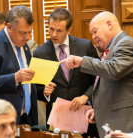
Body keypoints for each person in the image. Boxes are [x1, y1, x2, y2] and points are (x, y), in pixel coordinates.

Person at [61, 11, 133, 137]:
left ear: (109, 24)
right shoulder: (112, 49)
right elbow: (112, 85)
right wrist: (98, 109)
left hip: (128, 124)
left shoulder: (126, 44)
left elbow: (114, 70)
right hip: (116, 123)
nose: (93, 37)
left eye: (95, 31)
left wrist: (83, 61)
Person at [33, 7, 99, 135]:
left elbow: (99, 78)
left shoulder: (85, 47)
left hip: (85, 118)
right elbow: (35, 90)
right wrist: (44, 92)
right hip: (56, 122)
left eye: (59, 30)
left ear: (69, 30)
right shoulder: (39, 53)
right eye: (51, 29)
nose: (54, 34)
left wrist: (86, 96)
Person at [0, 5, 38, 126]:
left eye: (30, 32)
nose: (28, 37)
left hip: (27, 118)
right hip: (2, 121)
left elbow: (26, 79)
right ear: (8, 27)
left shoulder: (23, 44)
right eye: (23, 32)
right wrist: (15, 78)